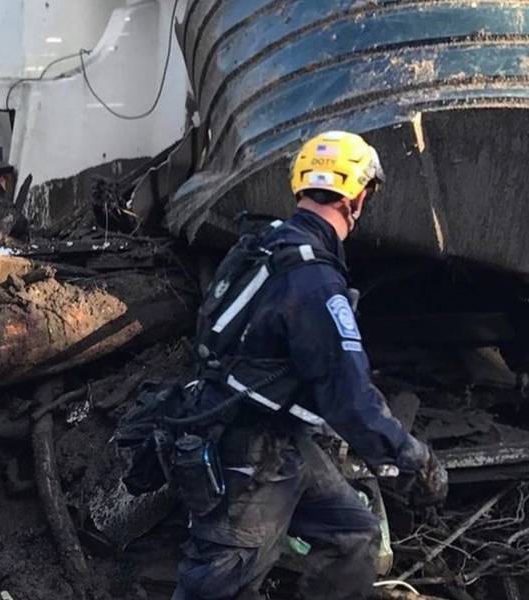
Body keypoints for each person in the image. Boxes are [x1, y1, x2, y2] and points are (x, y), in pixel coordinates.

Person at [172, 131, 448, 600]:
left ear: (300, 186)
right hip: (251, 456)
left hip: (272, 437)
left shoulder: (261, 247)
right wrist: (411, 455)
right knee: (220, 585)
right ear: (358, 197)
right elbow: (349, 396)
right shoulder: (315, 282)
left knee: (354, 536)